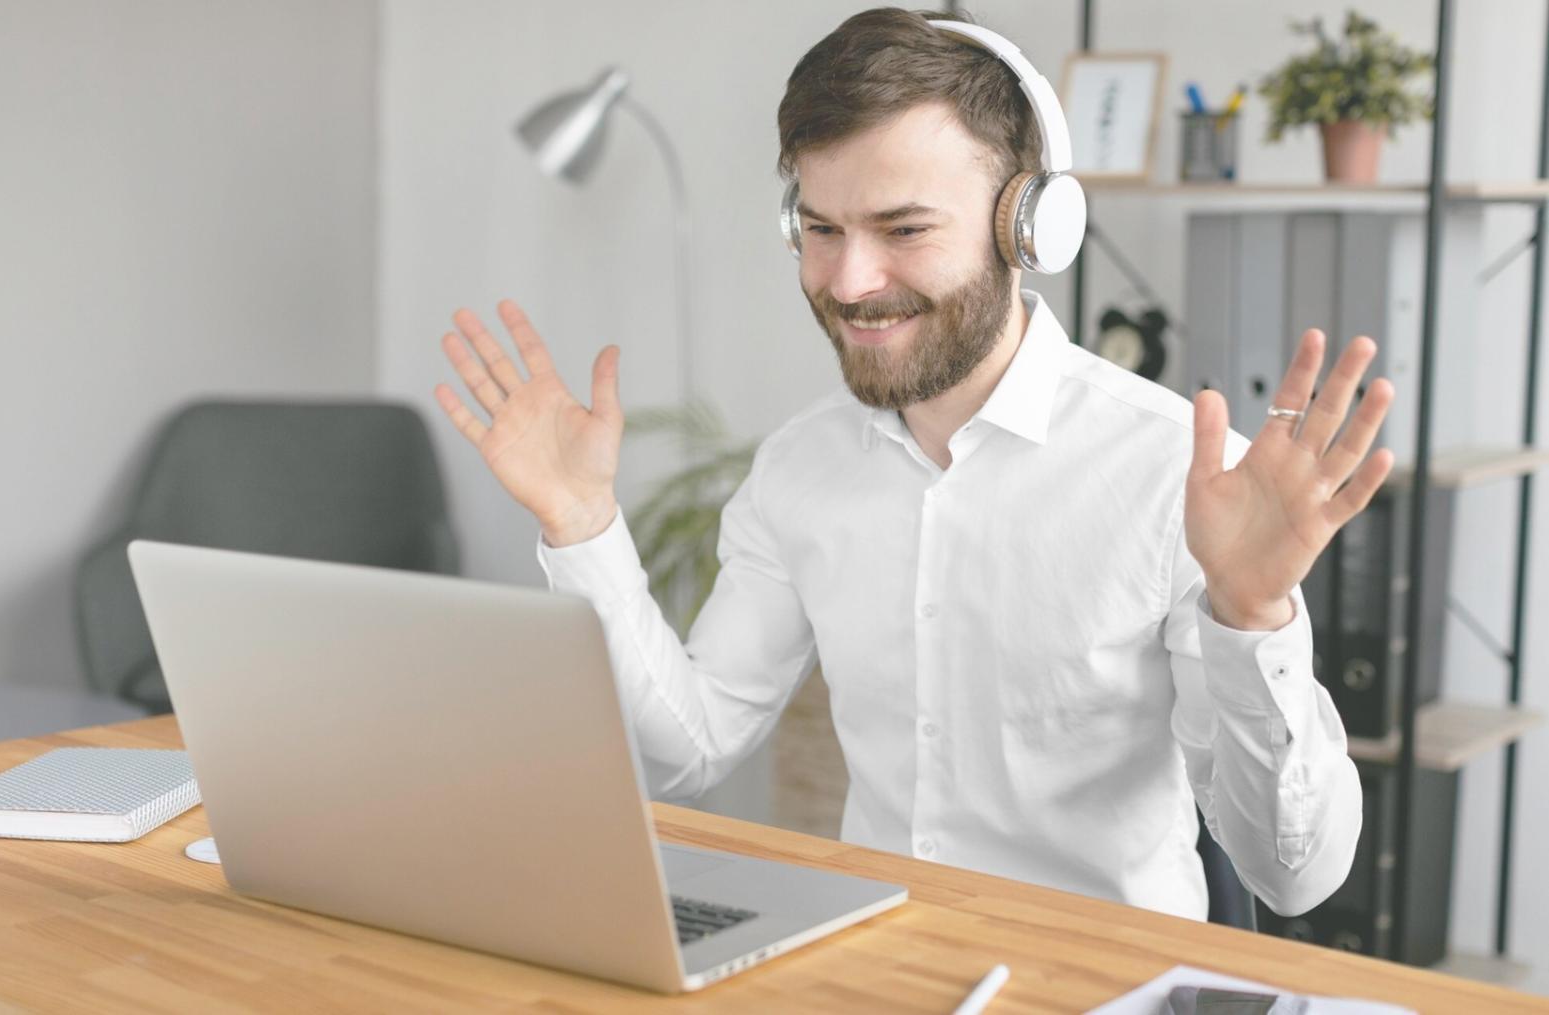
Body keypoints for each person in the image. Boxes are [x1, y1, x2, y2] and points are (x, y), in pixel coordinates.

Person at [432, 7, 1394, 921]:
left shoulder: (1180, 478)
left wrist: (1252, 617)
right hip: (878, 972)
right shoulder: (798, 469)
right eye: (820, 229)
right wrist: (581, 522)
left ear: (1028, 228)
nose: (849, 282)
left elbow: (1294, 876)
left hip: (1101, 989)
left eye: (903, 229)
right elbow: (689, 749)